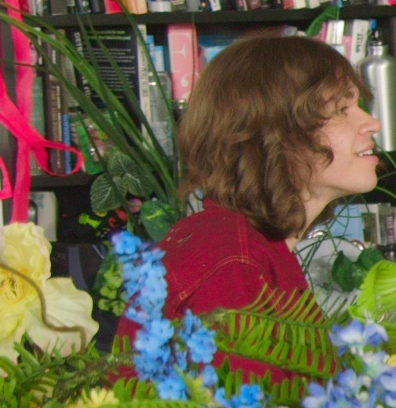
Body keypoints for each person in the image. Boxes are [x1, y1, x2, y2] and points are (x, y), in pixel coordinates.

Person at [118, 34, 382, 376]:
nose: (371, 123)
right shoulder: (234, 265)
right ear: (274, 133)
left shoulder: (241, 244)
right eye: (341, 110)